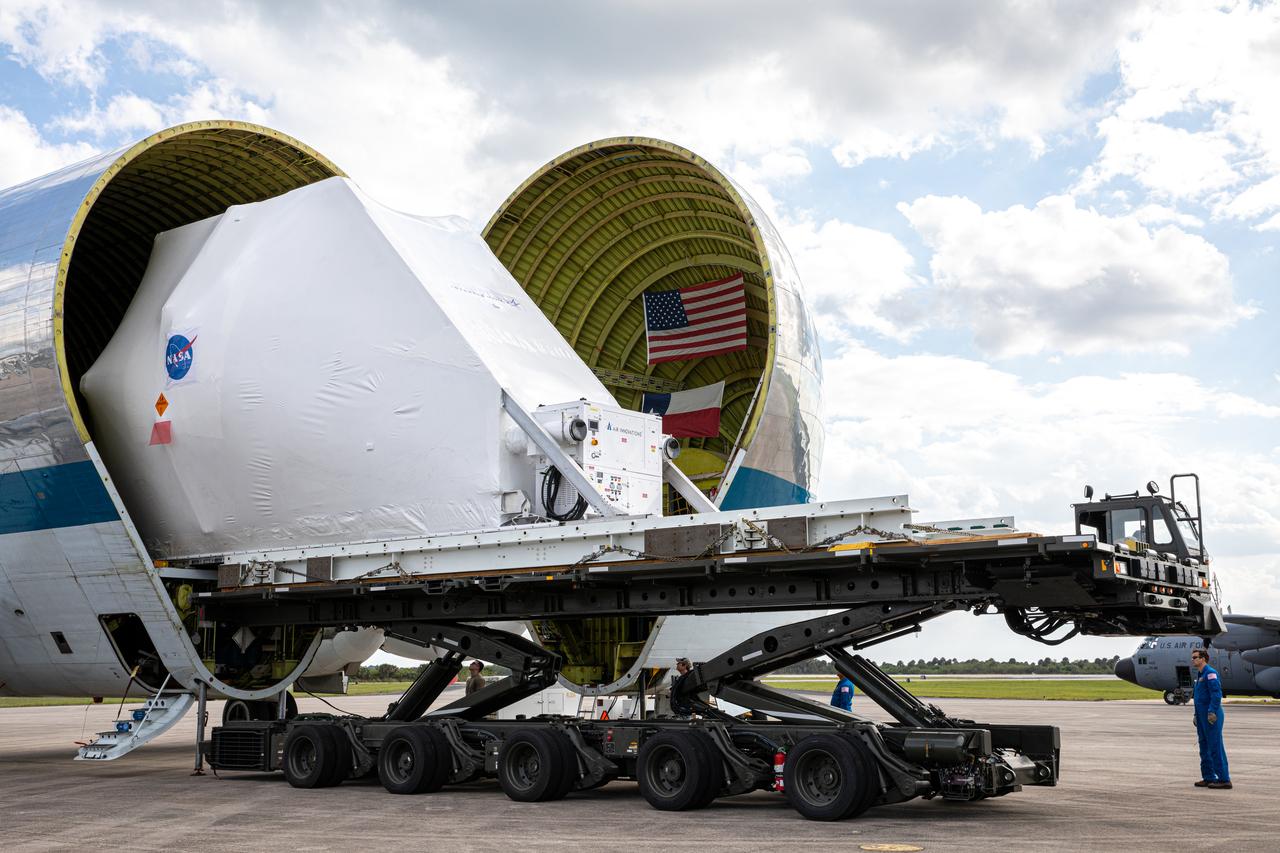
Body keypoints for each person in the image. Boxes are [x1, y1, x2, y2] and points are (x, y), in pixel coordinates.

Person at [1190, 648, 1231, 789]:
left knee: (1215, 747)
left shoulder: (1211, 673)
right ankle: (1208, 777)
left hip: (1211, 715)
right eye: (1193, 657)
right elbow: (1198, 698)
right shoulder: (1200, 675)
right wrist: (1196, 715)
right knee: (1204, 747)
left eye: (1195, 657)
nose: (1193, 659)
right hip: (1202, 717)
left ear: (1203, 658)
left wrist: (1212, 711)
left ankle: (1224, 779)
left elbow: (1216, 694)